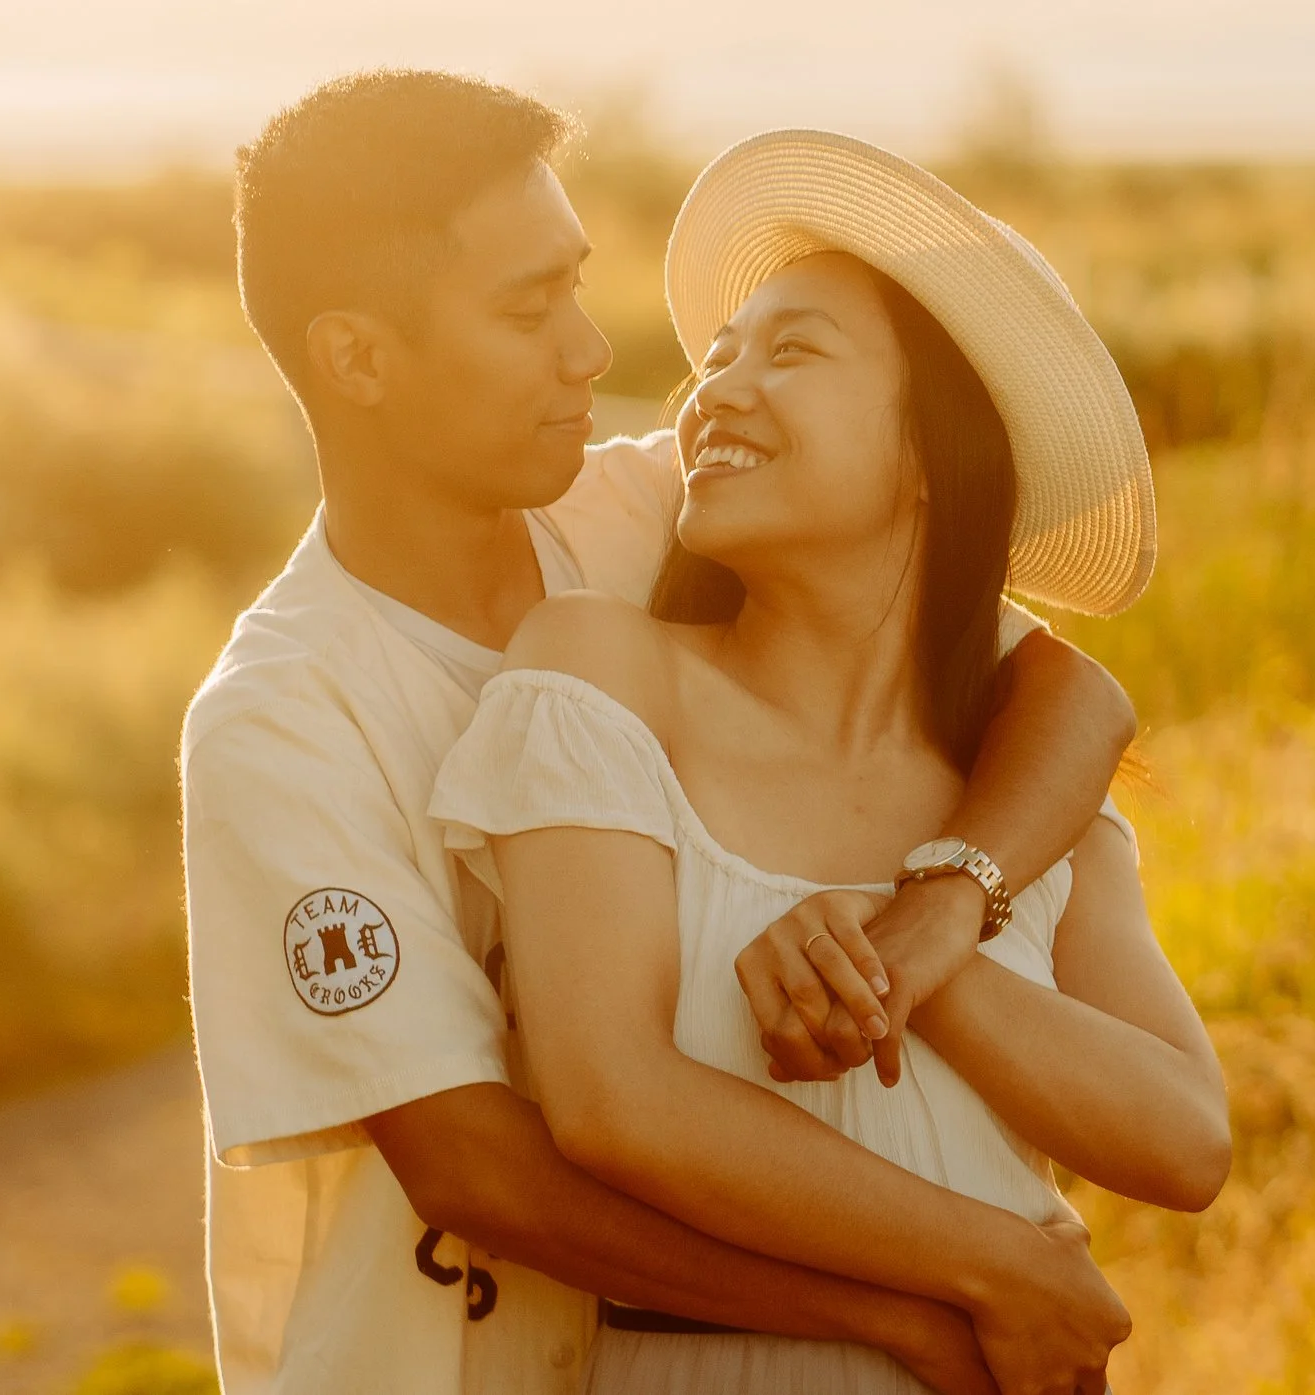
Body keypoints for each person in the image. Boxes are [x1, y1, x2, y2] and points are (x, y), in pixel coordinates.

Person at [181, 74, 1146, 1395]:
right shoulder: (284, 721)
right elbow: (479, 1161)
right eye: (527, 309)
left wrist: (944, 905)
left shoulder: (649, 521)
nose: (588, 349)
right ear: (356, 355)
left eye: (576, 286)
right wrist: (927, 1295)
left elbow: (1068, 690)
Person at [430, 130, 1232, 1395]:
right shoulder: (598, 677)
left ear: (930, 451)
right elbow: (608, 1100)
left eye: (789, 350)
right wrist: (989, 1266)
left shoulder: (1020, 793)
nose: (712, 392)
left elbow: (1186, 1143)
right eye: (717, 357)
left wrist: (921, 948)